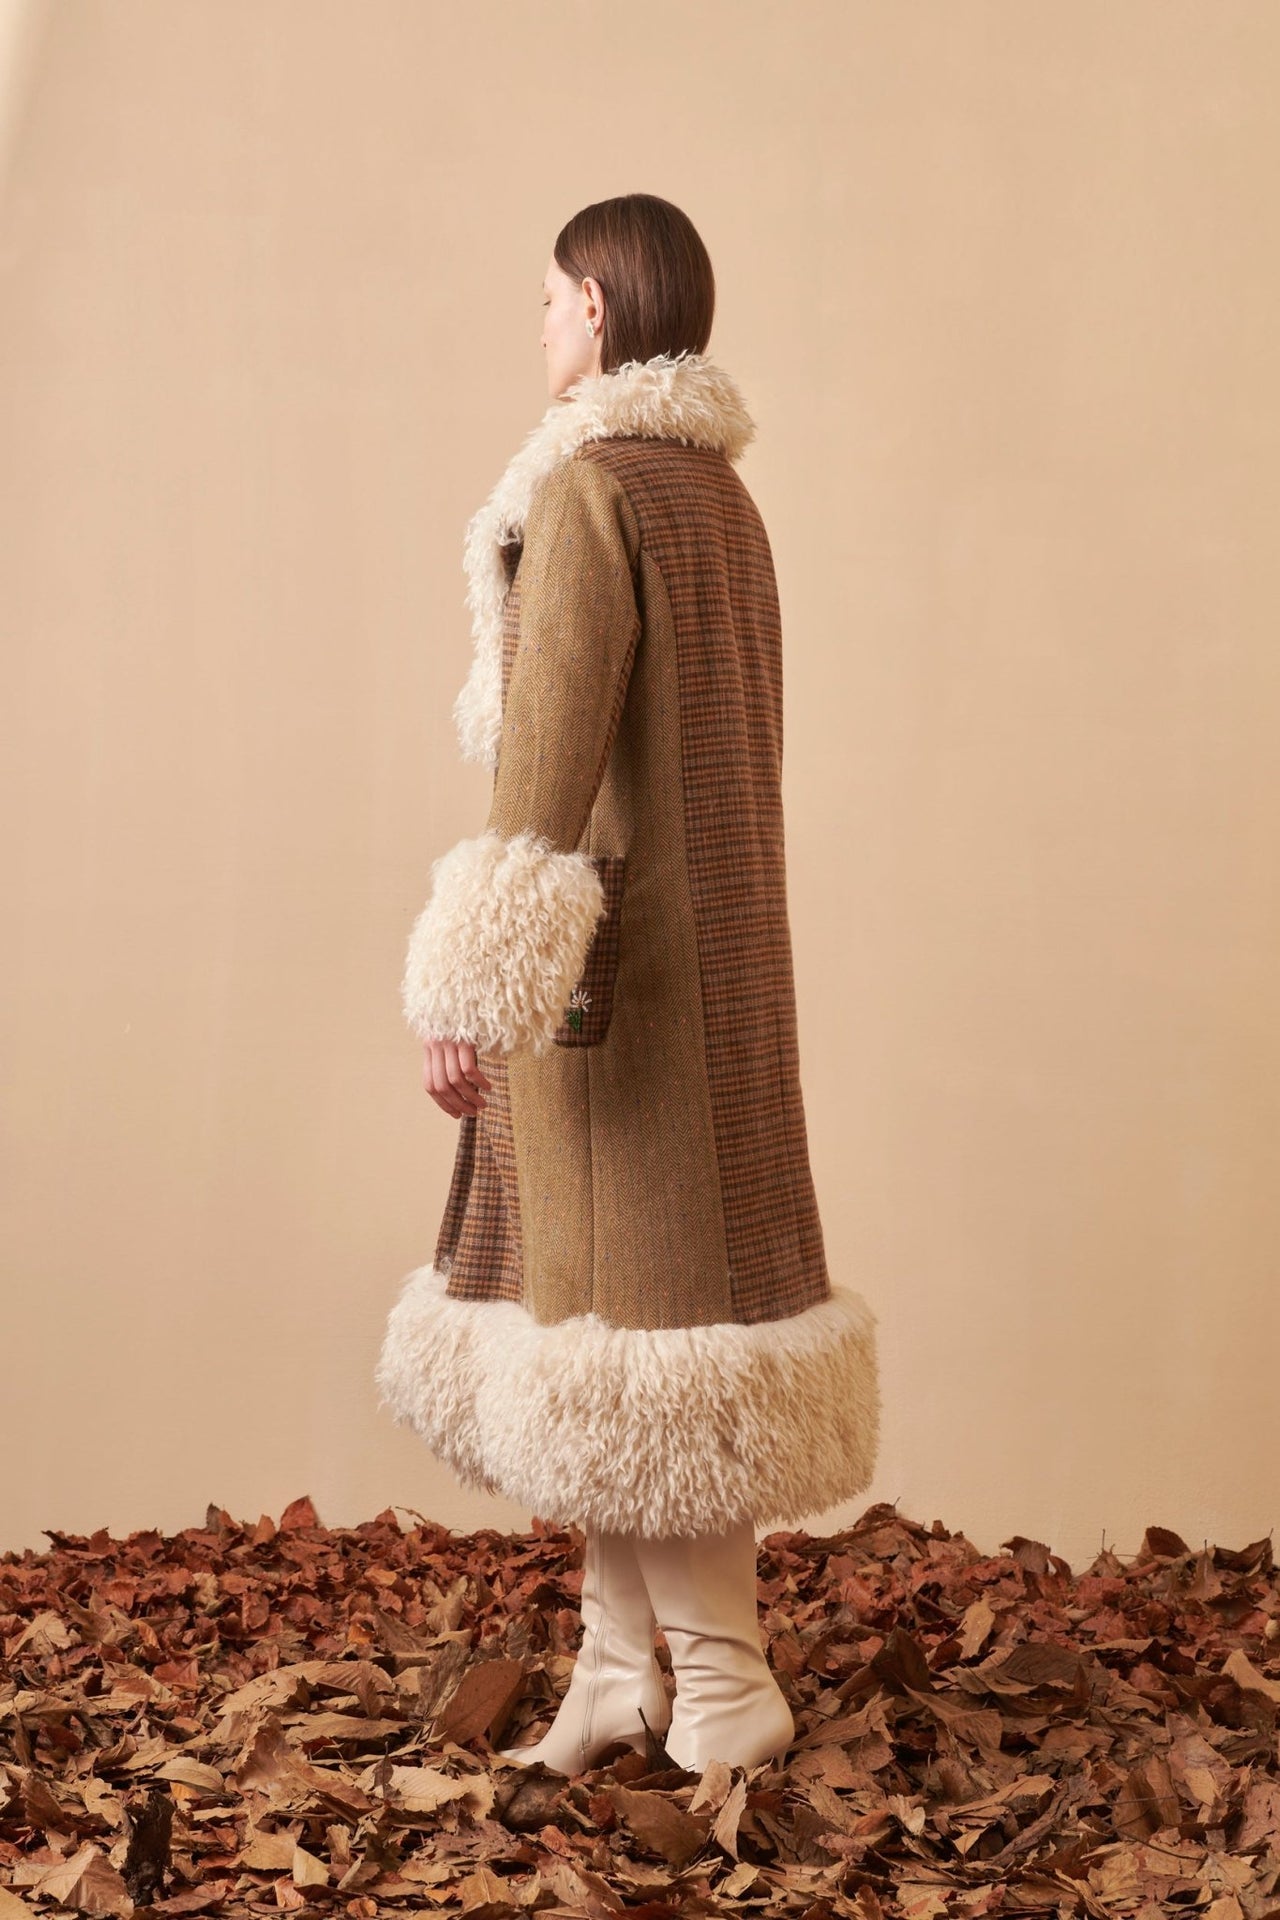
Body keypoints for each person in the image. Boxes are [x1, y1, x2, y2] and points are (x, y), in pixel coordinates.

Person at [375, 192, 880, 1778]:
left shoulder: (592, 488)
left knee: (643, 1342)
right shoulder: (721, 498)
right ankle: (614, 1671)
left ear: (597, 308)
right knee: (619, 1349)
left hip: (612, 987)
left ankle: (724, 1687)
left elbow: (547, 763)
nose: (538, 325)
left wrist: (469, 981)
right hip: (714, 962)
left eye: (548, 299)